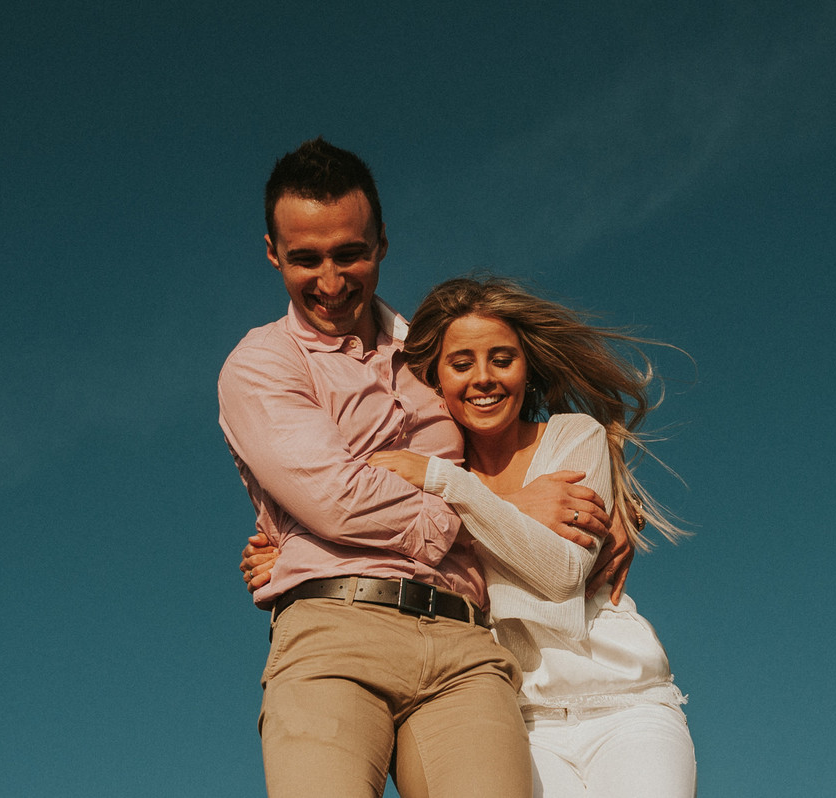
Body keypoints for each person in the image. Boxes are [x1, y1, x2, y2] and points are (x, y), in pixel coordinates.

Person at [218, 138, 622, 798]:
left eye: (350, 253)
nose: (330, 281)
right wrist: (503, 511)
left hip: (465, 645)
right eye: (306, 259)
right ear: (273, 253)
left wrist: (612, 495)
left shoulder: (433, 358)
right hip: (334, 630)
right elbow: (340, 500)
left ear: (382, 243)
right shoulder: (262, 365)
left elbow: (515, 435)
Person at [244, 276, 698, 797]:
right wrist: (289, 549)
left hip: (625, 701)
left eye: (502, 359)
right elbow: (355, 514)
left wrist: (451, 485)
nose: (484, 379)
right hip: (520, 716)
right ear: (435, 380)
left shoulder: (569, 437)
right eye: (461, 364)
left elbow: (562, 575)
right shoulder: (428, 470)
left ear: (526, 368)